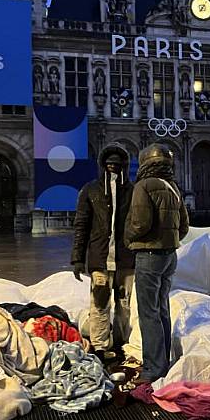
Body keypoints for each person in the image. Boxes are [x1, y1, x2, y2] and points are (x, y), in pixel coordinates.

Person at [124, 143, 189, 384]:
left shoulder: (143, 186)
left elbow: (140, 223)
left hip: (149, 255)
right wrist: (169, 239)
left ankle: (153, 369)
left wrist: (127, 236)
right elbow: (184, 226)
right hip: (169, 255)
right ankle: (165, 362)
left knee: (148, 312)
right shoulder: (173, 188)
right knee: (161, 308)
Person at [71, 143, 135, 361]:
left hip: (126, 260)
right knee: (99, 303)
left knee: (124, 304)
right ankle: (100, 345)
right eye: (109, 164)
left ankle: (122, 343)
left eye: (117, 164)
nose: (113, 168)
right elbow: (81, 225)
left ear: (124, 166)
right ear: (102, 165)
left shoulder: (133, 191)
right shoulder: (91, 190)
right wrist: (77, 258)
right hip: (100, 258)